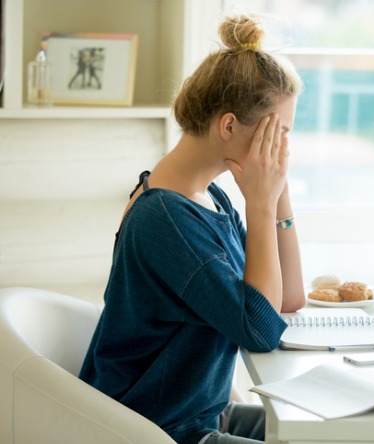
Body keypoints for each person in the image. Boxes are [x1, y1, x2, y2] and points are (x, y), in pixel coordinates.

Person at [79, 14, 306, 444]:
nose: (283, 148)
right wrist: (259, 202)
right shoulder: (166, 218)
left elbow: (287, 299)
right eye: (279, 133)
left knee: (333, 433)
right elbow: (261, 333)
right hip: (159, 430)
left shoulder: (209, 199)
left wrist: (279, 193)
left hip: (202, 416)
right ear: (228, 126)